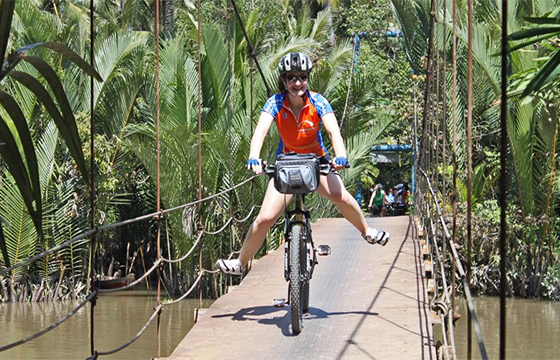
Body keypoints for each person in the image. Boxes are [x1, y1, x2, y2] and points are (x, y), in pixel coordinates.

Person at [216, 52, 390, 275]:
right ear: (284, 80)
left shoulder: (318, 101)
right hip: (286, 164)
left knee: (340, 195)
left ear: (308, 78)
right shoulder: (275, 103)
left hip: (316, 162)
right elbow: (260, 131)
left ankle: (366, 231)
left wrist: (340, 156)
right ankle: (239, 264)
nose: (297, 83)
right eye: (291, 77)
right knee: (265, 218)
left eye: (302, 77)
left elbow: (333, 131)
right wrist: (254, 157)